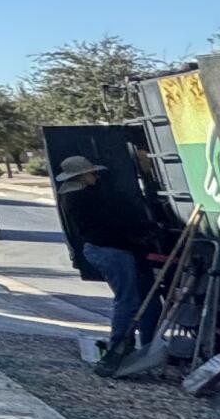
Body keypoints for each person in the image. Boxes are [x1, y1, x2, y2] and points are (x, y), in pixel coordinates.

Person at [55, 154, 168, 375]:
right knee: (128, 299)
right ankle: (120, 349)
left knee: (147, 300)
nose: (95, 176)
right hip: (110, 250)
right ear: (82, 176)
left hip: (110, 249)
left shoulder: (76, 196)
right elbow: (113, 222)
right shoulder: (84, 199)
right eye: (91, 173)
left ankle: (143, 349)